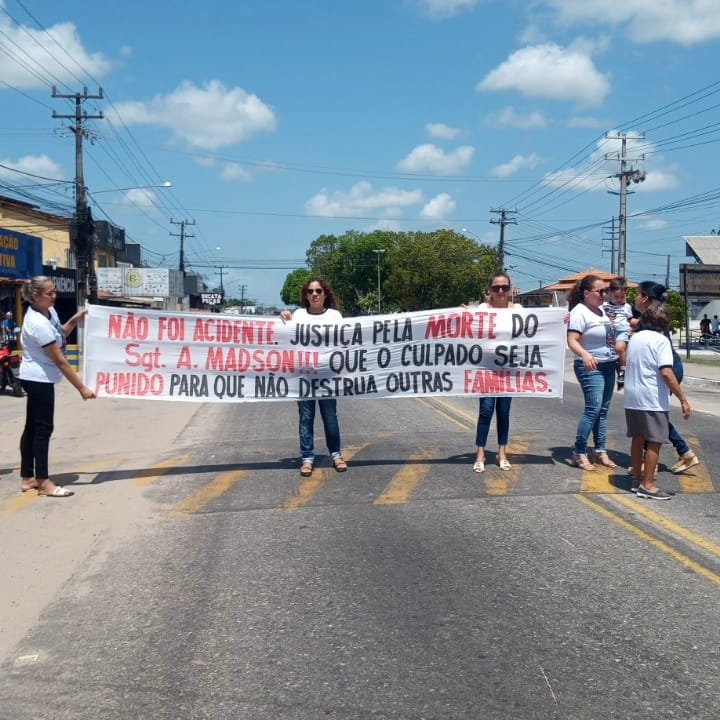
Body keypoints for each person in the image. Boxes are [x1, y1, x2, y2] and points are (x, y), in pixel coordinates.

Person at [19, 276, 96, 497]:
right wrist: (82, 388)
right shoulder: (37, 323)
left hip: (40, 377)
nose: (54, 296)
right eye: (49, 293)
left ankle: (28, 478)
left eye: (54, 292)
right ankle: (43, 482)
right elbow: (60, 360)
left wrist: (75, 319)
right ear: (35, 296)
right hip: (37, 379)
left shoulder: (48, 313)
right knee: (43, 429)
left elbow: (60, 334)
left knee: (32, 427)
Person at [280, 278, 347, 477]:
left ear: (325, 294)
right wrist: (283, 317)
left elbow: (344, 342)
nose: (314, 294)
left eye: (318, 291)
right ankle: (307, 458)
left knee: (330, 417)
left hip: (328, 375)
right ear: (305, 295)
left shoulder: (335, 316)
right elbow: (283, 335)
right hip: (304, 376)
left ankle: (336, 455)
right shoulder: (298, 315)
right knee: (306, 418)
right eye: (310, 291)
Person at [624, 301, 691, 500]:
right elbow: (667, 373)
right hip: (651, 398)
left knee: (638, 438)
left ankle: (637, 479)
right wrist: (682, 398)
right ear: (664, 321)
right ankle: (648, 485)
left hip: (632, 397)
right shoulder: (661, 341)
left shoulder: (635, 338)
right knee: (655, 441)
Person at [632, 281, 699, 476]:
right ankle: (680, 453)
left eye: (637, 294)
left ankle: (681, 453)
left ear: (644, 298)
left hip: (667, 368)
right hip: (669, 366)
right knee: (653, 415)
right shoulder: (654, 314)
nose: (635, 298)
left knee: (653, 416)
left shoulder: (647, 319)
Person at [566, 274, 618, 471]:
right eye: (600, 291)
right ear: (587, 294)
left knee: (603, 410)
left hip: (608, 364)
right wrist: (585, 355)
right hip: (590, 366)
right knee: (593, 408)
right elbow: (572, 340)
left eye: (605, 291)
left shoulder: (602, 310)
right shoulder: (580, 312)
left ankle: (600, 449)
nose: (604, 295)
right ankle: (579, 452)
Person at [472, 272, 523, 473]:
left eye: (504, 287)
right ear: (489, 292)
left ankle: (502, 452)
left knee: (503, 411)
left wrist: (561, 319)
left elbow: (538, 328)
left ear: (510, 289)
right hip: (486, 368)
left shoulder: (518, 309)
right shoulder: (483, 309)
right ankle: (480, 452)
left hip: (508, 369)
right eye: (496, 288)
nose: (500, 291)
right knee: (485, 411)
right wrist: (461, 314)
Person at [603, 277, 633, 390]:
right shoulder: (604, 306)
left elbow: (631, 320)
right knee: (612, 352)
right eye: (616, 297)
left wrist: (633, 329)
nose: (620, 299)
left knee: (620, 348)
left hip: (622, 331)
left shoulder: (627, 307)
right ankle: (618, 365)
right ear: (609, 293)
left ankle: (622, 371)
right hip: (608, 332)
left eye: (622, 297)